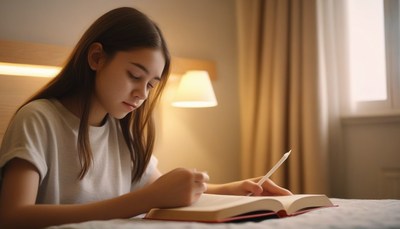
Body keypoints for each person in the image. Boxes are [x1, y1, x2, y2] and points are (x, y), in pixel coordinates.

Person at [0, 7, 291, 229]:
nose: (142, 94)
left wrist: (236, 190)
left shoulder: (122, 132)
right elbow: (13, 216)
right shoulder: (38, 120)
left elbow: (164, 190)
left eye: (151, 85)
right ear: (97, 58)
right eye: (134, 76)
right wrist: (143, 201)